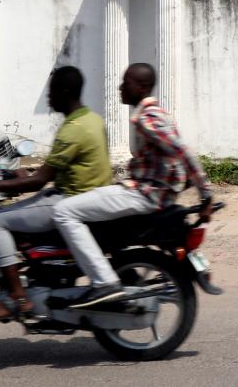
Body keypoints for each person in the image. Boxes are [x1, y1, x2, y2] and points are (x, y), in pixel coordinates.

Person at [52, 62, 213, 310]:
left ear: (142, 87)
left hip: (143, 195)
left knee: (64, 211)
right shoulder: (157, 113)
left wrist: (206, 195)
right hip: (145, 191)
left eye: (126, 82)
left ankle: (105, 283)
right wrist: (179, 186)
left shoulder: (147, 118)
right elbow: (175, 160)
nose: (120, 87)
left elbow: (182, 152)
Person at [0, 65, 111, 319]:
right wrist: (25, 176)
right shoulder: (92, 120)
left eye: (52, 93)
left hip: (69, 200)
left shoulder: (73, 130)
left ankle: (17, 297)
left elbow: (39, 182)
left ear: (65, 92)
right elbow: (61, 170)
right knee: (16, 217)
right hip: (83, 196)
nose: (49, 99)